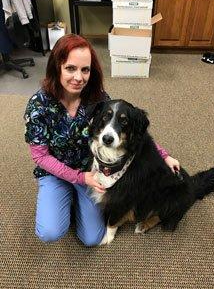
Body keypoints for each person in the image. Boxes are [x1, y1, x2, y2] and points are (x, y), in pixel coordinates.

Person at [24, 34, 180, 246]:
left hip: (93, 169)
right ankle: (63, 197)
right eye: (70, 68)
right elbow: (40, 157)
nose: (78, 77)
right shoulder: (38, 106)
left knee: (91, 238)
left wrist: (164, 155)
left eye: (85, 69)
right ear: (56, 67)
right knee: (50, 232)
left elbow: (132, 129)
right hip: (57, 173)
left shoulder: (96, 97)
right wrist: (78, 178)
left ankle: (75, 200)